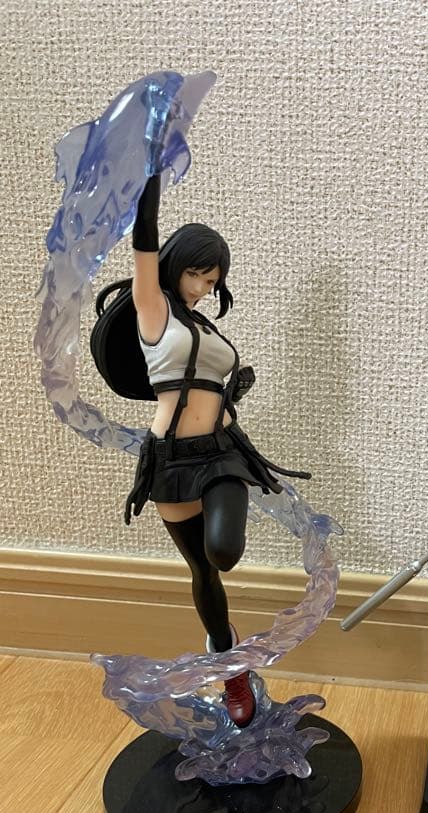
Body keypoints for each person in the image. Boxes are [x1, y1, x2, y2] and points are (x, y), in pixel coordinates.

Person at [93, 173, 310, 726]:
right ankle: (228, 663)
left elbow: (212, 383)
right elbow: (144, 240)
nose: (204, 288)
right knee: (203, 571)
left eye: (213, 281)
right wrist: (150, 173)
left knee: (224, 551)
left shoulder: (204, 326)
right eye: (198, 275)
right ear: (178, 266)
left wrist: (231, 396)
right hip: (170, 460)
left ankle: (230, 656)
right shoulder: (153, 311)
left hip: (222, 451)